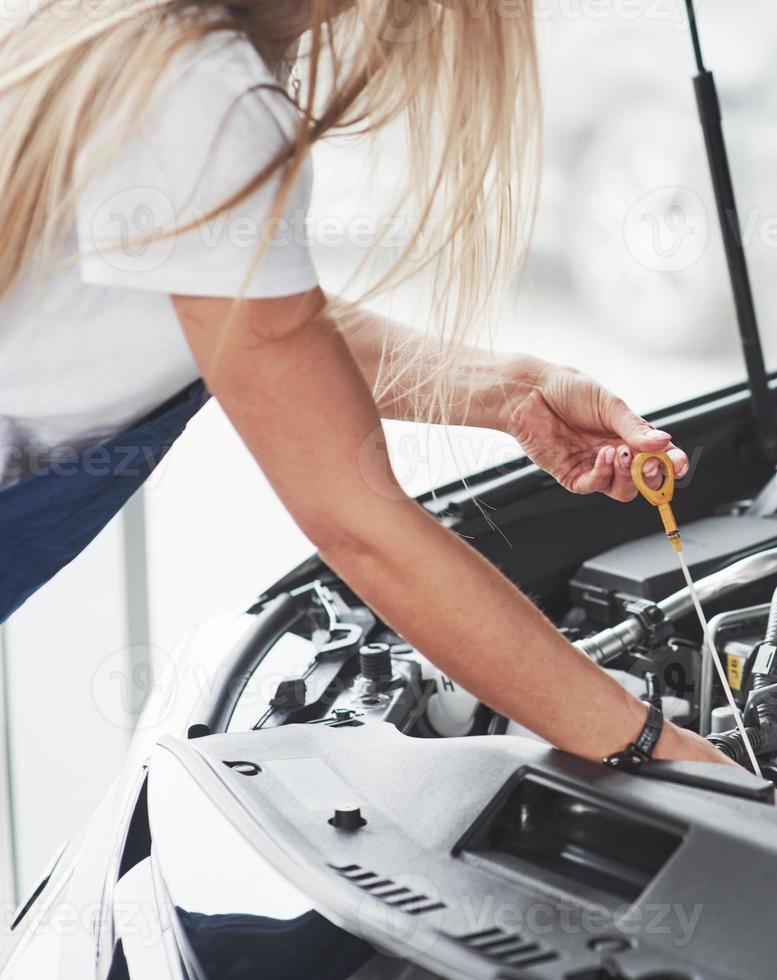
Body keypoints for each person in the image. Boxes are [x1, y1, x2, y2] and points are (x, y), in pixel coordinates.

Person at [0, 0, 734, 768]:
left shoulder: (119, 30)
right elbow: (361, 527)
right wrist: (661, 749)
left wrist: (510, 391)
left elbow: (241, 322)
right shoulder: (207, 98)